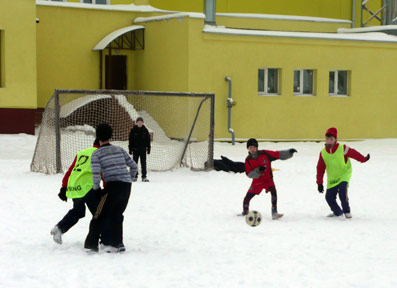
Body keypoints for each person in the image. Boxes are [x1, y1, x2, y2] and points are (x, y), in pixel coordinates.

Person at [84, 123, 137, 253]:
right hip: (126, 186)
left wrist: (96, 189)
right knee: (117, 214)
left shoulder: (96, 154)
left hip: (112, 186)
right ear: (110, 136)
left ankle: (91, 245)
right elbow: (134, 166)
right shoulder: (119, 149)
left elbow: (96, 174)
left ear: (98, 137)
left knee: (98, 215)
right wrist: (130, 178)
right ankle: (118, 243)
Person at [50, 139, 102, 244]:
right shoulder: (100, 153)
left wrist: (64, 187)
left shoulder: (82, 153)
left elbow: (70, 171)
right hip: (88, 186)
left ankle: (59, 228)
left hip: (75, 186)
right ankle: (103, 237)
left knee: (78, 211)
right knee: (99, 213)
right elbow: (102, 172)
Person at [316, 127, 370, 219]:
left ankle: (347, 212)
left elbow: (354, 153)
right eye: (327, 139)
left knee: (342, 193)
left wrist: (363, 159)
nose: (329, 141)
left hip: (344, 174)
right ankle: (338, 212)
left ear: (335, 140)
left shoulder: (342, 148)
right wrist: (319, 183)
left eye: (331, 139)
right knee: (329, 198)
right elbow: (320, 168)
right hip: (332, 178)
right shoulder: (323, 153)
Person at [242, 138, 297, 220]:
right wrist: (258, 170)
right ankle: (245, 212)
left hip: (268, 180)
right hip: (257, 182)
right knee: (247, 199)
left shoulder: (265, 154)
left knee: (274, 194)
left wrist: (289, 152)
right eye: (250, 147)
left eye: (254, 147)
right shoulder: (248, 160)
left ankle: (274, 212)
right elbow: (249, 174)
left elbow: (277, 154)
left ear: (257, 147)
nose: (252, 149)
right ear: (248, 149)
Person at [129, 117, 151, 182]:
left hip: (143, 150)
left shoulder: (145, 130)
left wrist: (148, 148)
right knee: (134, 163)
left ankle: (144, 176)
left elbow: (148, 140)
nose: (140, 123)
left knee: (143, 163)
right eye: (138, 122)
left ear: (142, 123)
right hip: (135, 150)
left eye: (141, 122)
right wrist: (130, 148)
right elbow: (130, 140)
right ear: (136, 123)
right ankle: (134, 176)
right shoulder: (133, 130)